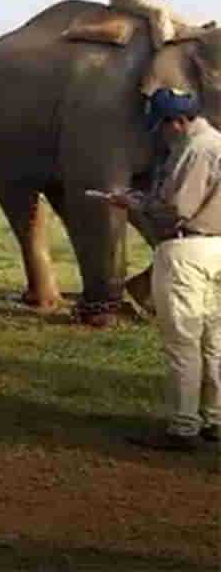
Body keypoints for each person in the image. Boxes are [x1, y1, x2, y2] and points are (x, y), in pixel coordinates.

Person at [106, 87, 221, 451]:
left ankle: (184, 427)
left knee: (183, 342)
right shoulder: (217, 141)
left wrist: (133, 203)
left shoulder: (195, 150)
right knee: (214, 341)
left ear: (176, 122)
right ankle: (214, 419)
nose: (161, 133)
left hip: (188, 248)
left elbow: (176, 209)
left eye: (162, 126)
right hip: (218, 247)